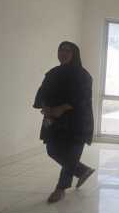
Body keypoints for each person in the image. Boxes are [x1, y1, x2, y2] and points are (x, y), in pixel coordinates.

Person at [34, 41, 95, 203]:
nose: (63, 53)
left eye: (67, 50)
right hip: (54, 119)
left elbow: (82, 98)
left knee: (71, 155)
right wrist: (45, 107)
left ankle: (60, 188)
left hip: (78, 122)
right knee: (52, 150)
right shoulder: (52, 73)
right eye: (60, 50)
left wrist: (61, 108)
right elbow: (42, 93)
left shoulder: (83, 75)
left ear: (74, 54)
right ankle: (82, 171)